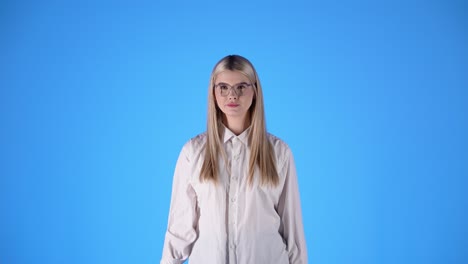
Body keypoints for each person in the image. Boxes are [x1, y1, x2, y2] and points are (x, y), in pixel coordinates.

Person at [161, 55, 307, 264]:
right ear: (214, 93)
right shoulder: (192, 153)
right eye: (223, 87)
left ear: (254, 91)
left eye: (240, 87)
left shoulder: (279, 153)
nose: (232, 95)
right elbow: (179, 230)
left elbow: (294, 234)